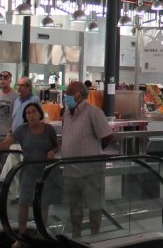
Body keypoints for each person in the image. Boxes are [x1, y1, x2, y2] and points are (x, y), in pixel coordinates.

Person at [0, 102, 59, 247]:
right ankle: (21, 236)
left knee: (43, 204)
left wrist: (52, 151)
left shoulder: (48, 129)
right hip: (28, 171)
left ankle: (41, 234)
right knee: (23, 202)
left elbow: (56, 145)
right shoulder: (22, 130)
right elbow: (7, 142)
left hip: (45, 172)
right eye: (28, 113)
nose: (31, 115)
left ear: (40, 113)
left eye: (34, 112)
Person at [59, 80, 113, 238]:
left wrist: (93, 152)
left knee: (94, 206)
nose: (66, 96)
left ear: (79, 95)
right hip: (70, 171)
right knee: (74, 206)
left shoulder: (93, 112)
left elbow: (107, 136)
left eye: (69, 93)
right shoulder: (66, 114)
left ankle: (95, 236)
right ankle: (76, 236)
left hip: (91, 171)